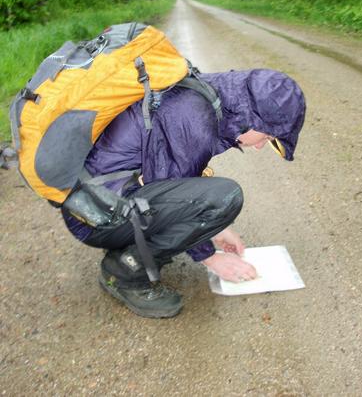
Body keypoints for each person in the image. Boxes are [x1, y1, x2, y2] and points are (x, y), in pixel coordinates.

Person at [62, 68, 306, 318]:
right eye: (267, 137)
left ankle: (128, 244)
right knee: (226, 197)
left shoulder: (206, 96)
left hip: (92, 199)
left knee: (213, 201)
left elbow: (176, 181)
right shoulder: (195, 119)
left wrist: (216, 230)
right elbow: (174, 186)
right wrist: (210, 258)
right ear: (253, 118)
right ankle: (123, 272)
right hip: (94, 217)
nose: (259, 146)